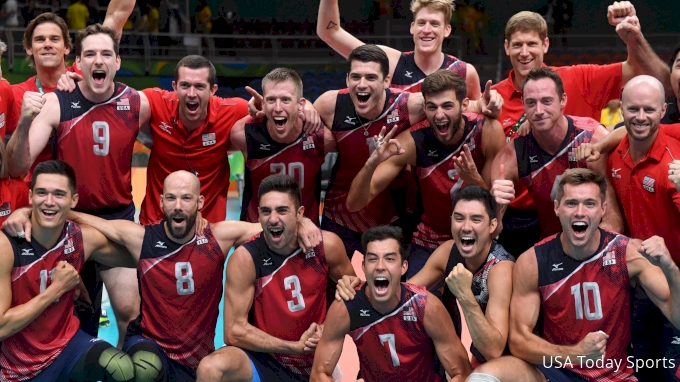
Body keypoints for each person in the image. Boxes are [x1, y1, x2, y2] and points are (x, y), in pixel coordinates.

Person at [24, 170, 320, 380]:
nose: (178, 206)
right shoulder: (142, 238)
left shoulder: (219, 236)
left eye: (186, 198)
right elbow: (80, 217)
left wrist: (304, 220)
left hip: (197, 358)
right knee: (142, 369)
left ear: (200, 203)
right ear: (161, 202)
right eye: (171, 198)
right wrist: (26, 213)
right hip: (150, 345)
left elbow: (274, 226)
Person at [491, 2, 671, 259]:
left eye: (531, 44)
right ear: (507, 47)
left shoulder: (580, 80)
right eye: (517, 45)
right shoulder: (492, 98)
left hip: (588, 212)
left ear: (545, 45)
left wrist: (634, 37)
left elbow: (652, 80)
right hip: (522, 218)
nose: (524, 52)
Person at [465, 168, 680, 382]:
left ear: (603, 209)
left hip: (613, 374)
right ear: (557, 208)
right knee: (483, 377)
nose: (580, 212)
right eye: (571, 203)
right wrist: (575, 354)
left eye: (589, 203)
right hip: (555, 370)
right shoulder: (533, 261)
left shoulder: (628, 253)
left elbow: (677, 318)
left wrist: (670, 269)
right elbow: (519, 341)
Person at [6, 23, 147, 348]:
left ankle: (122, 368)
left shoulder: (137, 102)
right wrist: (26, 120)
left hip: (117, 218)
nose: (98, 60)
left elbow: (175, 132)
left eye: (106, 54)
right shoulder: (58, 103)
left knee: (129, 311)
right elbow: (17, 166)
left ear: (117, 61)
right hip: (67, 221)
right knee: (72, 312)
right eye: (90, 54)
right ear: (79, 63)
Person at [312, 44, 500, 258]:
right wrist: (304, 107)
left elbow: (460, 106)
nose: (362, 84)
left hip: (392, 219)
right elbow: (297, 130)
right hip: (339, 216)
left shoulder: (408, 107)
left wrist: (492, 105)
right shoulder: (330, 104)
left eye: (371, 77)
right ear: (347, 79)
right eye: (356, 77)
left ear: (386, 81)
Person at [195, 174, 356, 382]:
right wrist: (293, 347)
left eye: (282, 210)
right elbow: (233, 332)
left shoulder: (327, 246)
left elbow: (355, 292)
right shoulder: (246, 258)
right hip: (263, 359)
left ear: (299, 213)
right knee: (210, 368)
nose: (273, 219)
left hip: (315, 361)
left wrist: (330, 326)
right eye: (266, 211)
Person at [345, 69, 505, 277]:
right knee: (410, 305)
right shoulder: (413, 141)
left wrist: (473, 179)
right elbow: (354, 203)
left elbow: (495, 215)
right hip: (430, 240)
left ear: (464, 105)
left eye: (447, 106)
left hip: (477, 240)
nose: (439, 115)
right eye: (432, 107)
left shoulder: (488, 131)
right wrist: (370, 163)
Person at [337, 186, 514, 368]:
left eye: (476, 219)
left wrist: (464, 295)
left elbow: (493, 350)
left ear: (492, 225)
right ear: (451, 220)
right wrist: (359, 287)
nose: (466, 227)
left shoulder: (500, 269)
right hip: (482, 357)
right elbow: (400, 296)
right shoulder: (449, 251)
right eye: (459, 218)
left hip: (513, 362)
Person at [577, 75, 680, 381]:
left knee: (672, 370)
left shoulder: (674, 163)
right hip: (639, 279)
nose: (640, 117)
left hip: (676, 277)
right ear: (620, 109)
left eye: (649, 110)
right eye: (633, 109)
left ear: (663, 110)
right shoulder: (616, 150)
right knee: (641, 364)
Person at [0, 160, 136, 381]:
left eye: (59, 195)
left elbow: (142, 252)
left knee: (122, 368)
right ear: (30, 196)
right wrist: (57, 290)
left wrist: (79, 217)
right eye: (42, 193)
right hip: (18, 366)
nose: (49, 202)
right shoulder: (6, 246)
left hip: (68, 348)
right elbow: (1, 327)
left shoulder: (78, 237)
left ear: (74, 200)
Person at [310, 225, 472, 382]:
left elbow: (462, 373)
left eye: (389, 259)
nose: (380, 266)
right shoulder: (346, 308)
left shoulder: (426, 306)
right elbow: (319, 374)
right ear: (363, 266)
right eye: (373, 259)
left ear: (403, 267)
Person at [490, 67, 622, 243]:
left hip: (596, 243)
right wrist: (496, 205)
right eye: (531, 103)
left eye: (546, 101)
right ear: (523, 104)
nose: (538, 111)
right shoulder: (512, 155)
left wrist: (589, 259)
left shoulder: (592, 138)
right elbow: (492, 230)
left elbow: (613, 222)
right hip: (551, 246)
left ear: (563, 100)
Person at [317, 0, 482, 98]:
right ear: (412, 28)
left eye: (434, 24)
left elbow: (479, 122)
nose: (426, 30)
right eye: (421, 23)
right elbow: (330, 32)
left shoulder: (464, 72)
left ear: (447, 30)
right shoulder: (389, 61)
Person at [231, 68, 332, 225]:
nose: (278, 108)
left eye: (285, 100)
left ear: (300, 105)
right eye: (271, 100)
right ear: (263, 104)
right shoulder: (243, 134)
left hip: (305, 231)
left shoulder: (321, 138)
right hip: (257, 233)